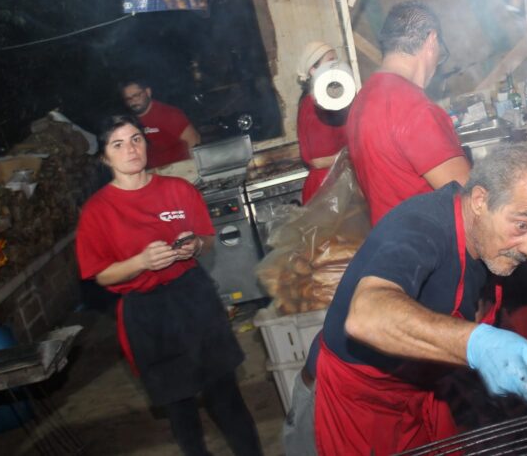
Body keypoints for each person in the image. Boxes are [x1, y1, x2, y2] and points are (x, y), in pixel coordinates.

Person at [313, 143, 527, 455]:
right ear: (480, 201)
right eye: (522, 226)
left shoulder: (488, 241)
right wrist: (476, 343)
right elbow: (367, 316)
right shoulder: (421, 227)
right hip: (364, 403)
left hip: (425, 389)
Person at [76, 115, 262, 456]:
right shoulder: (96, 212)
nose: (131, 149)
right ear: (105, 157)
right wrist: (140, 263)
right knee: (181, 406)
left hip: (193, 297)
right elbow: (100, 275)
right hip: (147, 312)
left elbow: (207, 240)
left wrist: (193, 246)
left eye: (136, 139)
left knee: (225, 395)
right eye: (118, 144)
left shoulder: (178, 189)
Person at [346, 1, 470, 225]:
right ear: (432, 40)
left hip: (392, 245)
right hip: (431, 248)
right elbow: (469, 196)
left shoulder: (360, 103)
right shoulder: (415, 107)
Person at [295, 41, 348, 204]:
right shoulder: (313, 105)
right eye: (331, 61)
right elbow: (318, 161)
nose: (336, 65)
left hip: (334, 182)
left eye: (336, 61)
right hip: (326, 189)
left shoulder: (328, 100)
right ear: (313, 69)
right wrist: (356, 155)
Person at [120, 78, 201, 169]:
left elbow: (194, 140)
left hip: (179, 169)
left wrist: (192, 168)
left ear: (148, 92)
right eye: (128, 99)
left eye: (136, 95)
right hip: (151, 173)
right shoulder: (129, 121)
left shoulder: (168, 114)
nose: (133, 101)